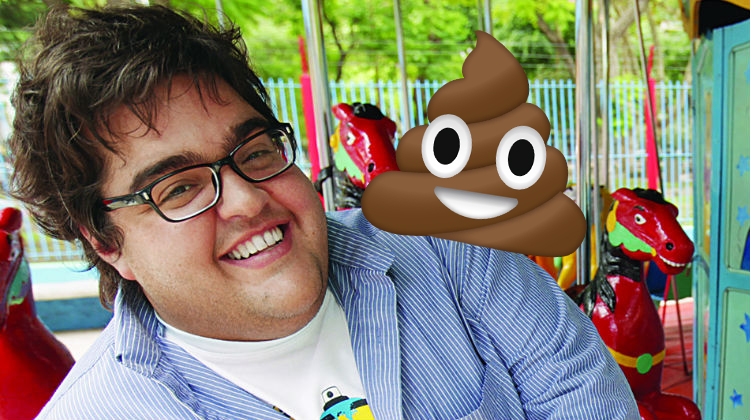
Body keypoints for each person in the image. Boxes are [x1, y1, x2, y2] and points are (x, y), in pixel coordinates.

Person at [9, 5, 639, 420]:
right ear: (106, 240)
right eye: (177, 189)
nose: (248, 199)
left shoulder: (451, 251)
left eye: (255, 152)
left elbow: (585, 397)